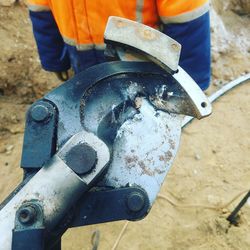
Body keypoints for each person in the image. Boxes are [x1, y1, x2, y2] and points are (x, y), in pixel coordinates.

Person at [27, 0, 211, 90]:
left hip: (142, 67)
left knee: (141, 135)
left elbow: (186, 15)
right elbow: (40, 7)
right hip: (81, 63)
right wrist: (54, 58)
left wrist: (188, 84)